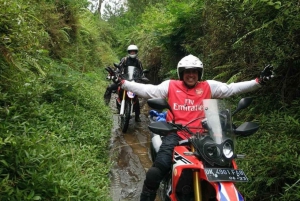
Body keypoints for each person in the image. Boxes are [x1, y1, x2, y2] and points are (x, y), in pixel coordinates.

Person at [114, 54, 273, 201]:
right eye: (187, 71)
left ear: (199, 73)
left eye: (195, 71)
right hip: (176, 134)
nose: (191, 75)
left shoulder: (208, 86)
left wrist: (258, 82)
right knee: (156, 171)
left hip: (205, 137)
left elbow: (231, 88)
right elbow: (148, 90)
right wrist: (123, 83)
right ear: (181, 73)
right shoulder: (171, 85)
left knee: (222, 165)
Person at [104, 44, 144, 122]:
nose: (132, 53)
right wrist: (115, 74)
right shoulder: (124, 59)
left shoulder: (138, 62)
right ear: (129, 52)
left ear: (136, 52)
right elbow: (119, 67)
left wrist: (142, 77)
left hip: (133, 81)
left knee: (136, 98)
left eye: (134, 52)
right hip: (124, 79)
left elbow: (141, 71)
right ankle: (105, 104)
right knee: (109, 87)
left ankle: (137, 116)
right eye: (131, 52)